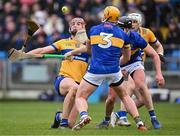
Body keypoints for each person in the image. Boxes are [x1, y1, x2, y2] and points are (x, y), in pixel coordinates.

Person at [65, 6, 147, 131]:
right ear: (117, 18)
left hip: (96, 70)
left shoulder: (94, 29)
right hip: (114, 71)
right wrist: (115, 63)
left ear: (105, 16)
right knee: (125, 96)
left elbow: (88, 50)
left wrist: (76, 53)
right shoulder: (122, 34)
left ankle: (84, 115)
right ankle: (140, 123)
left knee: (80, 96)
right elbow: (126, 58)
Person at [27, 17, 90, 128]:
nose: (75, 25)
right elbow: (42, 50)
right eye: (73, 23)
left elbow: (88, 50)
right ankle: (63, 122)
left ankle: (59, 117)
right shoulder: (63, 42)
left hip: (80, 84)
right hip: (63, 79)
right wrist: (25, 55)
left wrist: (73, 52)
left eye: (79, 23)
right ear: (70, 27)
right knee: (74, 88)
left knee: (72, 124)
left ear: (84, 27)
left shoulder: (89, 44)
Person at [103, 16, 164, 129]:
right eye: (122, 28)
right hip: (118, 64)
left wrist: (159, 74)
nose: (124, 31)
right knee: (112, 98)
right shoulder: (111, 38)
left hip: (134, 62)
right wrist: (119, 68)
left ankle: (152, 117)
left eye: (127, 28)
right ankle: (113, 117)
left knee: (141, 86)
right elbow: (108, 57)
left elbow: (154, 54)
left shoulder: (136, 37)